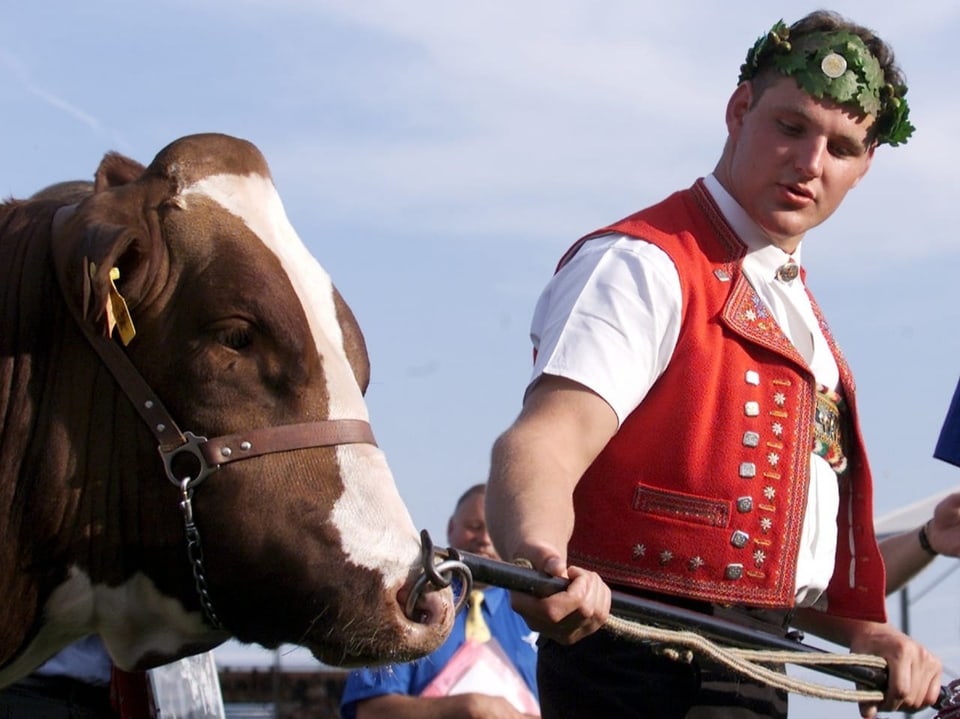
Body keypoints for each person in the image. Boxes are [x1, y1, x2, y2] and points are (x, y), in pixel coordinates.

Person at [485, 11, 942, 719]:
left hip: (753, 666)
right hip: (634, 666)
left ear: (866, 166)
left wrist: (867, 634)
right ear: (739, 110)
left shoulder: (803, 320)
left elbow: (768, 564)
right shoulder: (645, 263)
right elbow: (544, 438)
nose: (811, 162)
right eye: (791, 127)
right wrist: (540, 557)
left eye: (843, 146)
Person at [340, 484, 540, 718]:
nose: (484, 539)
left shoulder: (537, 613)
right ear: (451, 528)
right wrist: (468, 708)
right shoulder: (407, 606)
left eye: (494, 531)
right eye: (473, 527)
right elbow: (369, 711)